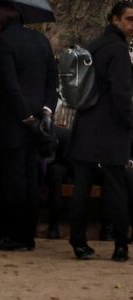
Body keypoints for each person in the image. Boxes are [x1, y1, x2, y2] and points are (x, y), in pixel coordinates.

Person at [0, 1, 58, 251]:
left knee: (12, 179)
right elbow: (52, 79)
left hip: (13, 120)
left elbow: (9, 83)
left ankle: (14, 234)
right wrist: (46, 111)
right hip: (39, 118)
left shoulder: (4, 41)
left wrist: (26, 116)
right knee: (29, 177)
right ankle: (25, 233)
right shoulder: (41, 40)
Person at [68, 1, 133, 262]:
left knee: (81, 187)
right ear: (115, 20)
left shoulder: (92, 46)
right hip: (111, 127)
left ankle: (79, 242)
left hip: (85, 124)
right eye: (129, 19)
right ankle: (120, 244)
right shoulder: (118, 50)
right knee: (116, 187)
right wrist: (130, 121)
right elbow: (121, 93)